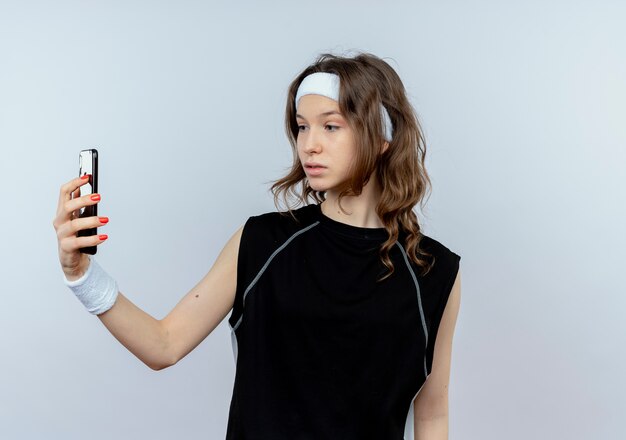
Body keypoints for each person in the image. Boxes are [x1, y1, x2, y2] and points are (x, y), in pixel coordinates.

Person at [53, 52, 462, 440]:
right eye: (302, 126)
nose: (309, 144)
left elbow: (431, 413)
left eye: (330, 126)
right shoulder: (263, 243)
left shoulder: (433, 270)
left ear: (382, 137)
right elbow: (164, 344)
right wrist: (82, 276)